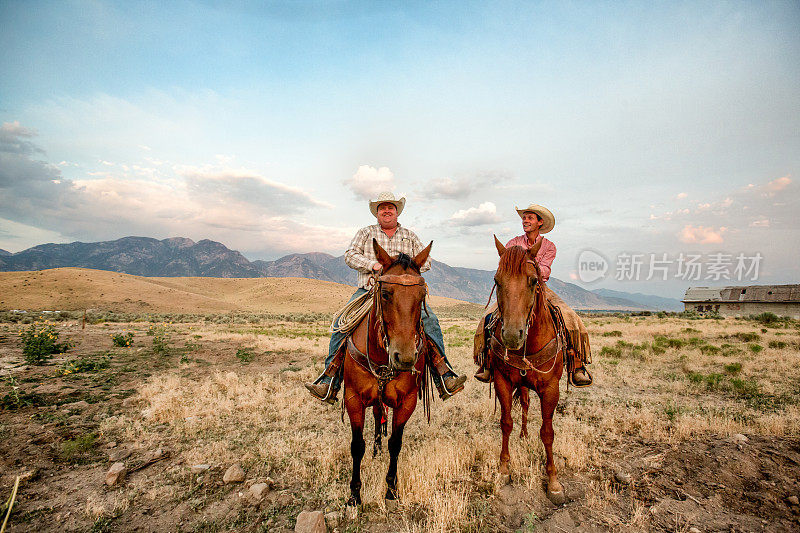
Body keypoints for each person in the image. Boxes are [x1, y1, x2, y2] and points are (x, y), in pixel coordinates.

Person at [305, 192, 467, 403]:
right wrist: (372, 264)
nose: (387, 211)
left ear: (397, 212)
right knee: (341, 324)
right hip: (369, 291)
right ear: (377, 213)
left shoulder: (410, 236)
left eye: (390, 207)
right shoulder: (365, 233)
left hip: (404, 295)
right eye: (382, 208)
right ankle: (329, 381)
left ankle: (444, 375)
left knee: (431, 322)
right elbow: (350, 255)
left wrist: (405, 267)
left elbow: (426, 263)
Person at [473, 203, 593, 387]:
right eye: (524, 217)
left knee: (569, 316)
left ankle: (577, 365)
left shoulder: (549, 246)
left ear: (540, 222)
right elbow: (505, 267)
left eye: (530, 218)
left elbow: (544, 272)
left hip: (538, 287)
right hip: (513, 289)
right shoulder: (513, 243)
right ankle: (487, 363)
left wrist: (527, 267)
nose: (525, 220)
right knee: (487, 317)